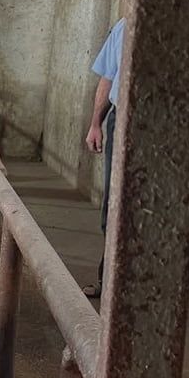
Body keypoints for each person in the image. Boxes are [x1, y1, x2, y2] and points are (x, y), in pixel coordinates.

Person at [83, 17, 125, 298]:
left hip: (160, 122)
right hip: (121, 117)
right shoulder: (124, 26)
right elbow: (107, 78)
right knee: (114, 202)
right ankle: (109, 280)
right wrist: (96, 122)